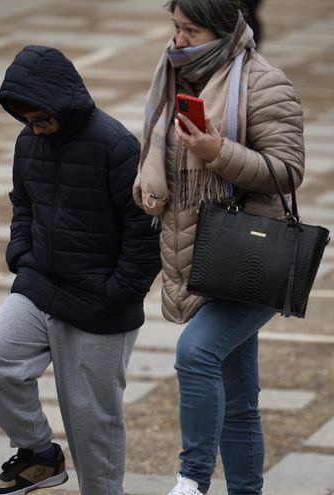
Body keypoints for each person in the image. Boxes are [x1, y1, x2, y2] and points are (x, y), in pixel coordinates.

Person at [0, 45, 161, 495]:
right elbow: (22, 202)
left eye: (41, 119)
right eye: (27, 121)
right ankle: (39, 455)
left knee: (91, 418)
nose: (35, 128)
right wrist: (21, 254)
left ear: (62, 103)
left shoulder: (116, 146)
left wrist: (120, 293)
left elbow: (146, 228)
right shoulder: (28, 142)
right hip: (40, 284)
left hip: (100, 300)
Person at [133, 0, 304, 493]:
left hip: (251, 255)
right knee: (240, 401)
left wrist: (217, 152)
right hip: (201, 255)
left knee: (196, 352)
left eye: (190, 30)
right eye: (175, 27)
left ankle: (192, 479)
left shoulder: (264, 84)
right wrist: (149, 188)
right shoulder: (173, 77)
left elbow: (287, 171)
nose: (178, 40)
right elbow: (161, 156)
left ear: (223, 31)